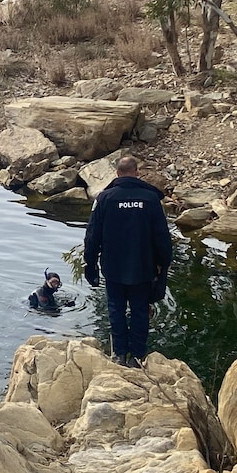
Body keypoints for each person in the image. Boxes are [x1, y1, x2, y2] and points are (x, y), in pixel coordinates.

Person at [83, 155, 172, 368]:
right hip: (143, 267)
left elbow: (93, 234)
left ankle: (119, 355)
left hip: (113, 267)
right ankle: (137, 356)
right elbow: (161, 236)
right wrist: (164, 263)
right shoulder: (150, 199)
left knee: (116, 309)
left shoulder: (104, 199)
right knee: (140, 310)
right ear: (137, 172)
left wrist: (90, 263)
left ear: (117, 174)